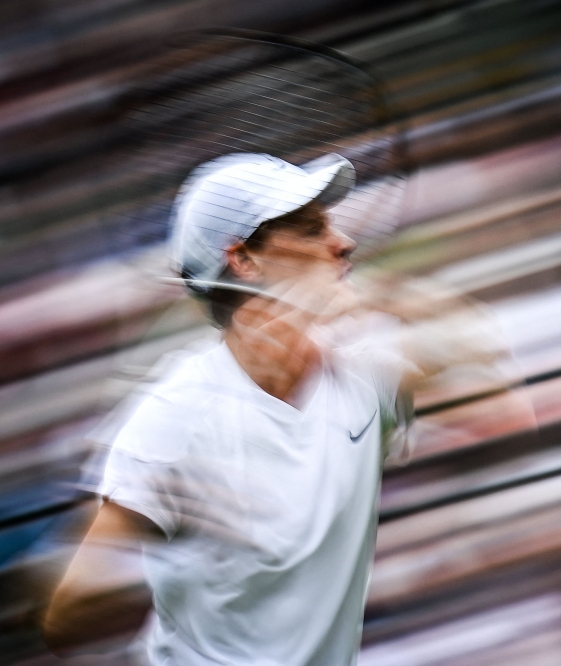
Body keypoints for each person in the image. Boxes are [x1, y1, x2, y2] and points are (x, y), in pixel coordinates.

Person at [42, 153, 504, 665]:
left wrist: (378, 297)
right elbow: (67, 617)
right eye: (310, 230)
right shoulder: (173, 419)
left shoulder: (363, 375)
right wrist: (176, 553)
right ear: (243, 260)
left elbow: (495, 392)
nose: (343, 243)